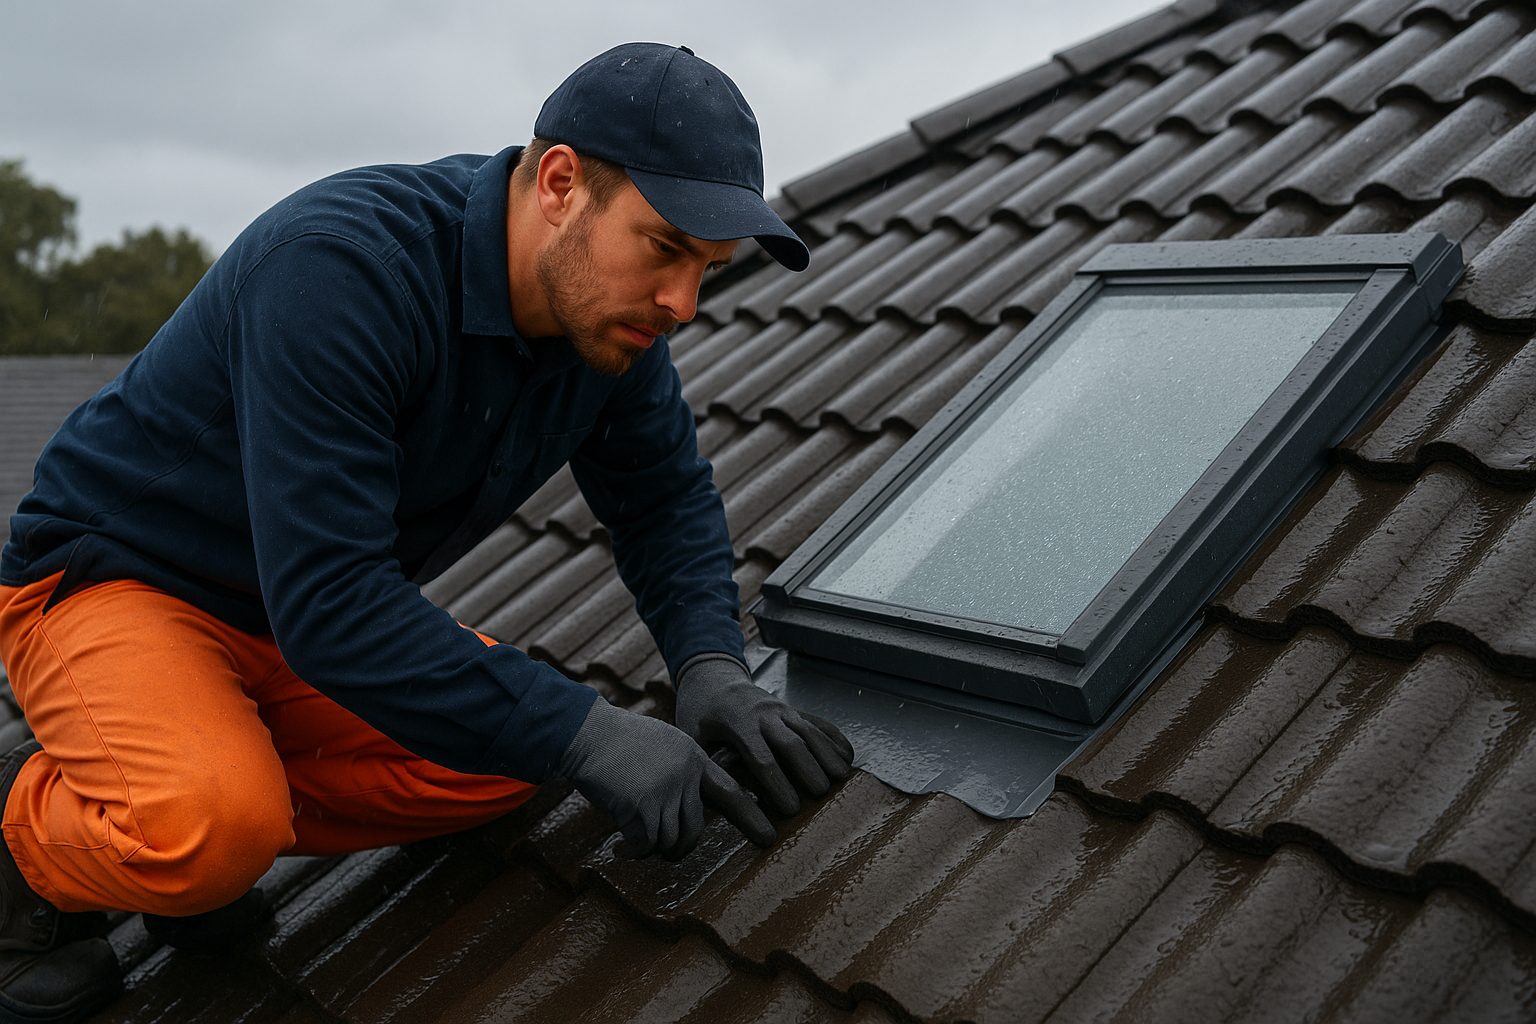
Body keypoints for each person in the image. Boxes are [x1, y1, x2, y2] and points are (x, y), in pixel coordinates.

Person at [0, 42, 853, 1022]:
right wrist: (586, 729)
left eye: (710, 270)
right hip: (118, 584)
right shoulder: (343, 271)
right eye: (665, 248)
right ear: (562, 184)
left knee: (502, 761)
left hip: (286, 618)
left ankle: (182, 786)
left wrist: (710, 662)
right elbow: (333, 605)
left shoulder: (608, 326)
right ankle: (37, 840)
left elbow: (661, 499)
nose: (683, 304)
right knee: (213, 827)